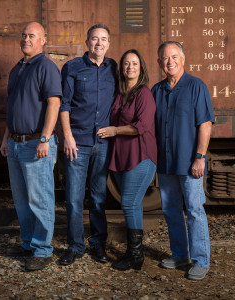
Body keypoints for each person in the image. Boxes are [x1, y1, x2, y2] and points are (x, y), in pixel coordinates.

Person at [0, 22, 62, 271]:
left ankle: (43, 249)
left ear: (43, 40)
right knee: (22, 199)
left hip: (37, 143)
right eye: (24, 35)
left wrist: (46, 138)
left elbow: (54, 104)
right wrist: (6, 138)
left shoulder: (46, 66)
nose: (26, 39)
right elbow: (12, 107)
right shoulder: (17, 69)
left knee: (40, 199)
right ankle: (28, 243)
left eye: (32, 36)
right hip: (15, 143)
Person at [151, 41, 214, 280]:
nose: (170, 62)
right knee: (171, 210)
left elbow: (205, 125)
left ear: (183, 59)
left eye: (174, 57)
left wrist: (200, 157)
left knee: (195, 210)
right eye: (165, 58)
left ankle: (201, 260)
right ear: (159, 63)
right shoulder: (157, 90)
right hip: (166, 163)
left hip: (189, 163)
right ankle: (179, 254)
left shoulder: (196, 86)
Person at [58, 23, 117, 266]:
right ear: (87, 42)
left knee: (98, 197)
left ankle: (98, 245)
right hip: (77, 143)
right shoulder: (72, 67)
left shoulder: (114, 68)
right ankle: (75, 246)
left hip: (103, 142)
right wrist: (68, 136)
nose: (99, 43)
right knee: (73, 198)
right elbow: (64, 104)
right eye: (94, 39)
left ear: (108, 44)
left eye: (103, 39)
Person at [97, 49, 156, 271]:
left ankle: (135, 255)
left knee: (129, 203)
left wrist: (114, 130)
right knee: (133, 205)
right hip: (122, 156)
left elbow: (143, 126)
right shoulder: (120, 93)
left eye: (134, 63)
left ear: (141, 68)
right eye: (126, 64)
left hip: (140, 155)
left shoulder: (144, 94)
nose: (130, 67)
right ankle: (136, 255)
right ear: (121, 68)